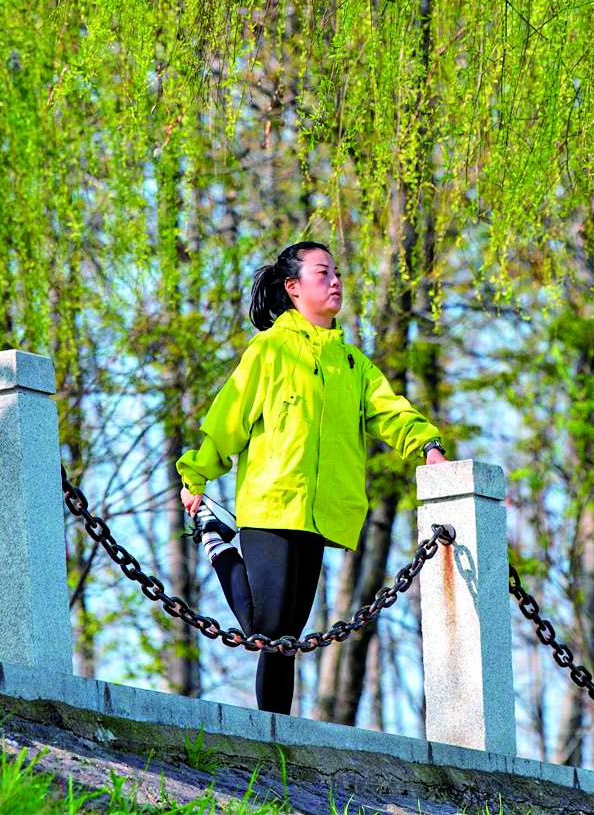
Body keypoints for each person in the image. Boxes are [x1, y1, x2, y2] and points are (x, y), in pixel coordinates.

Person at [176, 241, 448, 715]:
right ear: (293, 287)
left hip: (322, 513)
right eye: (323, 273)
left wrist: (429, 447)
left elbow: (390, 411)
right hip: (273, 503)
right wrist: (196, 474)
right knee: (267, 630)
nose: (336, 281)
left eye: (337, 273)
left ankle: (278, 738)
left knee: (286, 639)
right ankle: (217, 541)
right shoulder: (270, 350)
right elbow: (228, 420)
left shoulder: (352, 363)